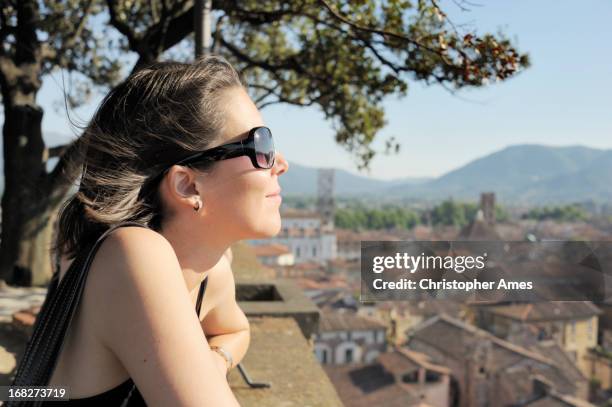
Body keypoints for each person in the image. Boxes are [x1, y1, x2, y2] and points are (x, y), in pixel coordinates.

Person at [45, 55, 289, 406]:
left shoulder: (211, 270)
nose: (281, 163)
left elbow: (235, 330)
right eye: (261, 145)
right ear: (188, 186)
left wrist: (215, 361)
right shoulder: (130, 254)